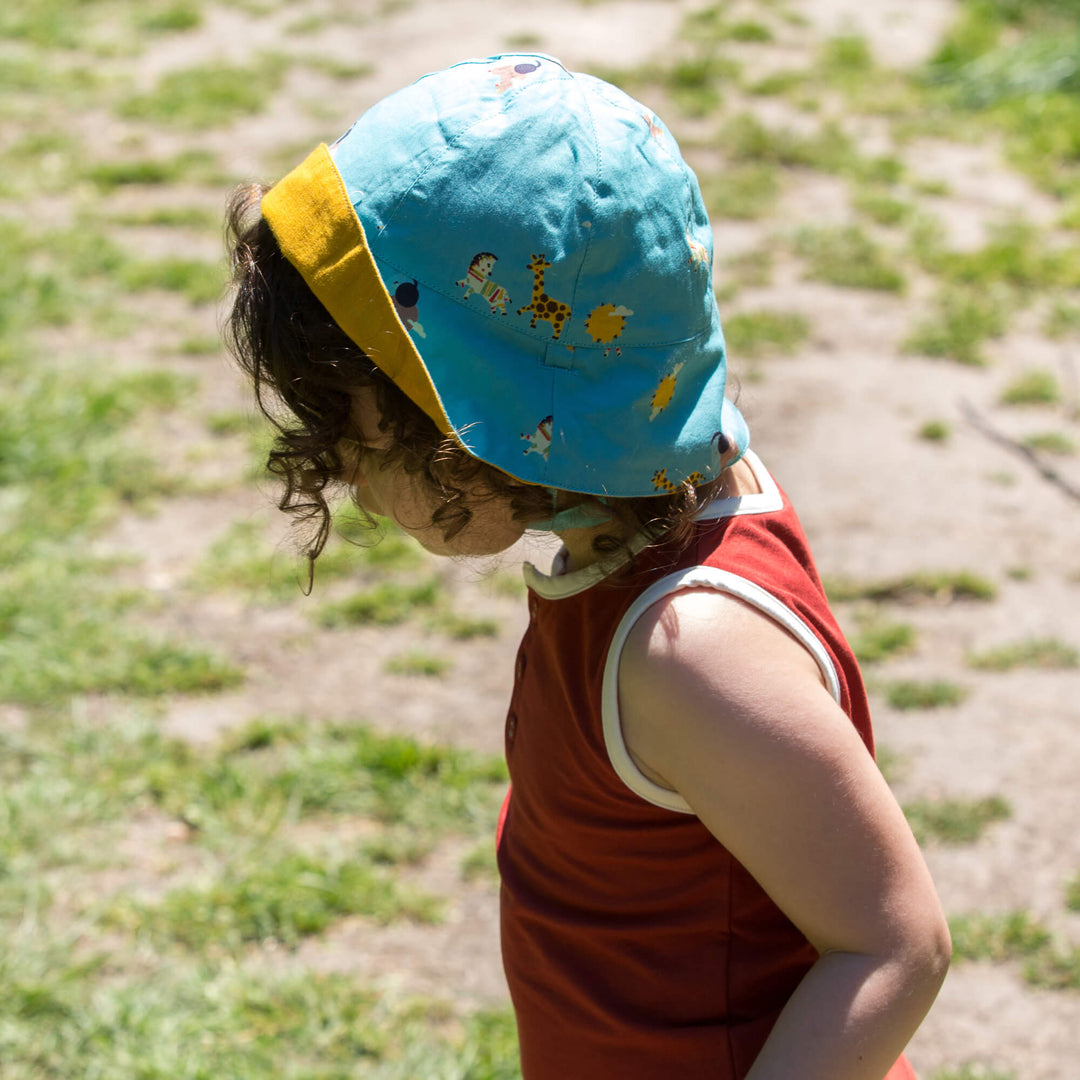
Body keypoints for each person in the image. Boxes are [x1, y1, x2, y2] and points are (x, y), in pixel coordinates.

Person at [224, 53, 950, 1080]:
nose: (338, 469)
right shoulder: (656, 515)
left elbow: (894, 944)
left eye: (356, 429)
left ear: (493, 413)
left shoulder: (690, 650)